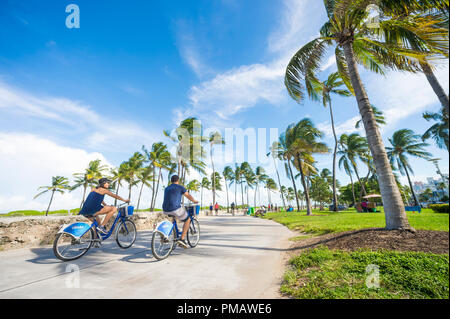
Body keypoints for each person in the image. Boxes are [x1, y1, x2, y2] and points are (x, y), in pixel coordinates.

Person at [162, 175, 198, 248]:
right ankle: (182, 239)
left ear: (171, 181)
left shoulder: (167, 188)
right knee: (187, 219)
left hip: (165, 209)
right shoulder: (180, 187)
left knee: (174, 218)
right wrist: (194, 201)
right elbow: (188, 196)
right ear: (178, 180)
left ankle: (174, 234)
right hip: (175, 208)